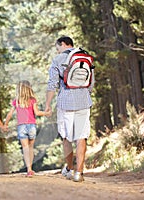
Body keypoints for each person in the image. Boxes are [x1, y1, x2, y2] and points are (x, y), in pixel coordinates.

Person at [45, 36, 94, 182]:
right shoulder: (85, 56)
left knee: (66, 137)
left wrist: (48, 104)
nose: (58, 50)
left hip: (65, 102)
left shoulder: (58, 59)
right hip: (84, 102)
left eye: (57, 47)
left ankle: (70, 169)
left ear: (63, 44)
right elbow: (91, 83)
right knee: (81, 136)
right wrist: (84, 94)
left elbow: (52, 84)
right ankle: (79, 173)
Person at [4, 80, 50, 177]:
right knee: (30, 148)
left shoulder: (16, 101)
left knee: (25, 148)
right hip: (31, 126)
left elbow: (10, 114)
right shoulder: (32, 100)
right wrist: (46, 113)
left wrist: (5, 124)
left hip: (21, 127)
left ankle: (29, 169)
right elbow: (37, 113)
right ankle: (31, 169)